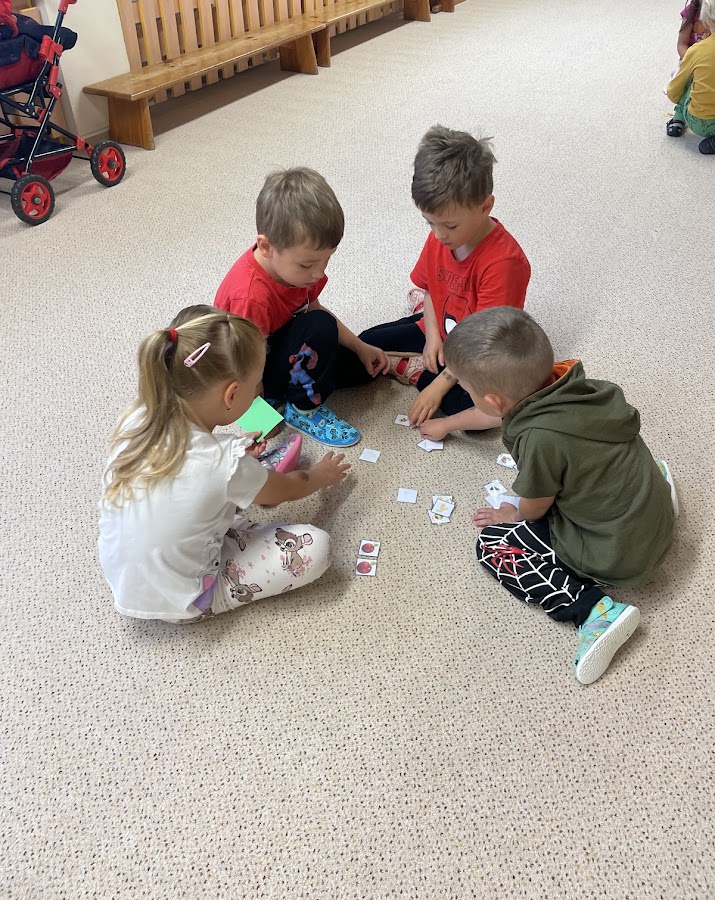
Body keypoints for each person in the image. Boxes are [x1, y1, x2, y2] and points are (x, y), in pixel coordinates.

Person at [442, 307, 677, 685]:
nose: (466, 394)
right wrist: (447, 424)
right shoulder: (579, 384)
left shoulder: (539, 439)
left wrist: (512, 514)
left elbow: (536, 509)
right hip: (651, 513)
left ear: (495, 400)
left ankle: (594, 612)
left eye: (466, 390)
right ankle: (657, 493)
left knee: (492, 546)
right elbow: (499, 415)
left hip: (620, 553)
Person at [98, 306, 350, 623]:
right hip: (185, 598)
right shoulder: (222, 459)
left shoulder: (138, 416)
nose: (258, 392)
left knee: (219, 492)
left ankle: (244, 488)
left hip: (125, 579)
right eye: (256, 384)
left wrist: (235, 461)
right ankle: (212, 593)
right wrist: (320, 475)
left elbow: (187, 470)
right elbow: (288, 490)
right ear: (232, 394)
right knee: (315, 548)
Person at [357, 125, 531, 442]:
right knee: (365, 346)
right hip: (441, 325)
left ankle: (416, 371)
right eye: (430, 223)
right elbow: (430, 290)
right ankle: (419, 355)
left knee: (484, 411)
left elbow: (484, 344)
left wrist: (438, 385)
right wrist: (432, 337)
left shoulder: (504, 263)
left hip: (480, 350)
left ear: (485, 207)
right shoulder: (441, 237)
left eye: (449, 225)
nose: (438, 234)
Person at [214, 168, 389, 447]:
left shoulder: (294, 271)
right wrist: (258, 417)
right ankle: (302, 409)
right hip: (251, 368)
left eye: (326, 260)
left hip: (282, 351)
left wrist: (359, 346)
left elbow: (312, 307)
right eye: (307, 264)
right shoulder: (249, 297)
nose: (318, 273)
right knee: (321, 326)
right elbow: (241, 368)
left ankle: (294, 391)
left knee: (361, 368)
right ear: (266, 247)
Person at [667, 0, 715, 152]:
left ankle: (678, 117)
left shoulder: (697, 50)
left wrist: (674, 96)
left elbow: (675, 88)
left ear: (705, 23)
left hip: (699, 122)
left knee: (690, 78)